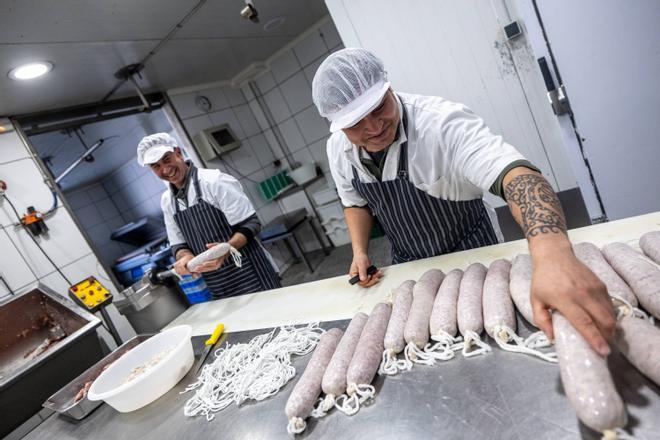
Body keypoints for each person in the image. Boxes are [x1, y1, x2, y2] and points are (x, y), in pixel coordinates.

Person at [311, 48, 615, 355]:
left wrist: (553, 256)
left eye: (379, 108)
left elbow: (519, 178)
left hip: (475, 254)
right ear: (335, 125)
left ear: (388, 87)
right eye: (356, 123)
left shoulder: (441, 123)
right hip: (410, 262)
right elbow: (355, 203)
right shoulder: (338, 150)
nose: (374, 127)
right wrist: (360, 252)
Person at [136, 133, 280, 298]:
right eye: (156, 166)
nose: (165, 169)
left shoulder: (215, 181)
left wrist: (227, 248)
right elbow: (178, 244)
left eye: (167, 159)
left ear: (178, 153)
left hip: (253, 274)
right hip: (218, 284)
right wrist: (186, 257)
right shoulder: (167, 201)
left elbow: (251, 224)